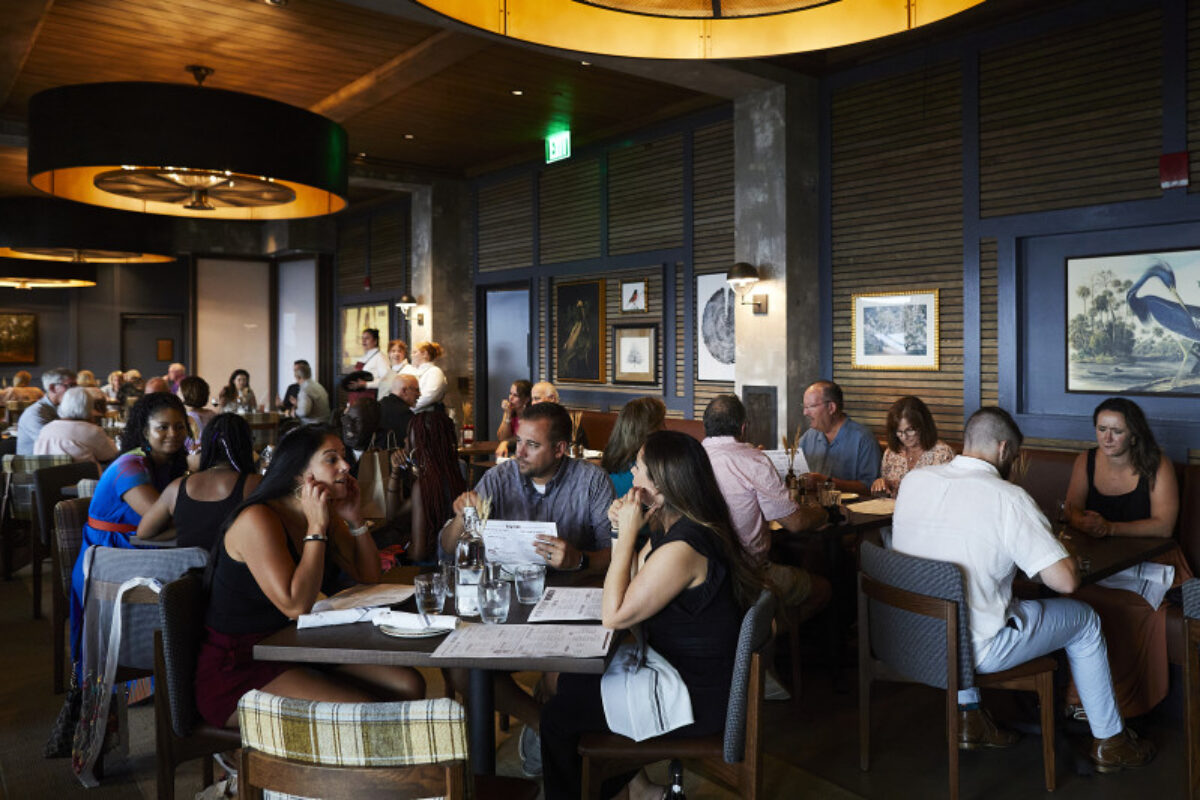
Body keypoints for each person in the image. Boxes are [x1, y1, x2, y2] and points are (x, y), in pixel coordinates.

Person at [892, 407, 1155, 771]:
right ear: (1003, 450)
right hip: (973, 651)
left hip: (909, 637)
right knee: (1085, 619)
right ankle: (1111, 741)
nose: (1013, 464)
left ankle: (970, 716)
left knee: (967, 602)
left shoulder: (915, 481)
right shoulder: (1008, 498)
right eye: (1013, 456)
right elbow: (1065, 582)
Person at [540, 430, 764, 799]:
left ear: (662, 483)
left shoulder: (684, 548)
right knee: (564, 684)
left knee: (557, 717)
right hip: (673, 670)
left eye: (639, 467)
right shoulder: (673, 527)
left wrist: (628, 536)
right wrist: (619, 532)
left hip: (693, 695)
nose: (632, 473)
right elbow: (629, 586)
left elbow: (614, 616)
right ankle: (622, 787)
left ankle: (610, 786)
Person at [194, 424, 425, 728]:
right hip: (239, 667)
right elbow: (295, 605)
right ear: (299, 475)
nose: (346, 466)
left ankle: (374, 770)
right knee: (367, 714)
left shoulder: (323, 513)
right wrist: (316, 529)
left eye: (343, 457)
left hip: (292, 648)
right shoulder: (258, 519)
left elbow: (370, 577)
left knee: (409, 684)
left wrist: (355, 519)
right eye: (331, 459)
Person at [439, 402, 615, 751]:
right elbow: (446, 548)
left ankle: (553, 729)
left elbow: (617, 552)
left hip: (569, 605)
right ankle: (541, 724)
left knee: (558, 678)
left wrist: (578, 560)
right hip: (505, 605)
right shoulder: (498, 479)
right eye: (519, 441)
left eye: (531, 445)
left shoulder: (592, 481)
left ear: (560, 449)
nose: (518, 451)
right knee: (460, 670)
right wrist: (462, 518)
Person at [1063, 397, 1190, 719]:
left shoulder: (1156, 464)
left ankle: (1117, 705)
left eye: (1116, 431)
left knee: (1116, 605)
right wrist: (1081, 522)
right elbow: (1071, 509)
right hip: (1102, 561)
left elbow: (1164, 527)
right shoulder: (1086, 461)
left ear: (1134, 434)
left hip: (1155, 561)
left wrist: (1109, 528)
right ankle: (1085, 700)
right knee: (1077, 595)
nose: (1106, 438)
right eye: (1101, 429)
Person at [69, 392, 190, 663]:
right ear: (145, 431)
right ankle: (165, 667)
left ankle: (174, 667)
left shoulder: (166, 463)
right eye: (162, 427)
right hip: (108, 558)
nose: (173, 433)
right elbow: (159, 522)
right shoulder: (130, 467)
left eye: (179, 426)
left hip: (134, 548)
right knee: (199, 575)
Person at [701, 394, 828, 614]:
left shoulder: (692, 457)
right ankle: (763, 634)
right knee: (823, 589)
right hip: (747, 574)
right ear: (743, 427)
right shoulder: (753, 460)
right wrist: (822, 513)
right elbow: (795, 523)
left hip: (702, 575)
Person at [136, 413, 261, 549]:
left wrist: (185, 530)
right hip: (233, 568)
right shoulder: (254, 484)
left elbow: (144, 533)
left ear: (205, 445)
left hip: (188, 567)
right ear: (247, 446)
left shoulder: (177, 487)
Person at [404, 411, 465, 564]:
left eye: (410, 435)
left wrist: (401, 551)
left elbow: (418, 552)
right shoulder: (457, 473)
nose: (405, 441)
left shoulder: (423, 485)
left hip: (428, 569)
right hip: (452, 563)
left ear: (419, 442)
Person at [799, 379, 881, 494]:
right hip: (813, 508)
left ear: (831, 407)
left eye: (810, 407)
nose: (805, 413)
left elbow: (870, 487)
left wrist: (827, 482)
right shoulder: (808, 438)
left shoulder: (863, 439)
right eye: (804, 407)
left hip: (848, 509)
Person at [870, 395, 955, 496]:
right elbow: (886, 494)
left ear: (923, 426)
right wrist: (882, 484)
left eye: (909, 430)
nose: (904, 437)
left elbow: (947, 494)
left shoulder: (942, 454)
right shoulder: (891, 453)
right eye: (899, 432)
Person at [34, 386, 118, 466]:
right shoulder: (91, 430)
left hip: (46, 479)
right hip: (83, 479)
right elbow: (112, 455)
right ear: (89, 407)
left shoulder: (46, 429)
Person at [601, 395, 666, 496]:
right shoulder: (650, 473)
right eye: (662, 424)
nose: (666, 429)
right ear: (649, 430)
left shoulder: (607, 470)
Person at [16, 367, 75, 455]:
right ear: (52, 388)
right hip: (37, 466)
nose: (75, 391)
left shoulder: (63, 409)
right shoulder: (35, 413)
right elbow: (53, 445)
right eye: (70, 386)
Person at [345, 328, 389, 406]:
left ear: (375, 341)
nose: (363, 341)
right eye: (362, 338)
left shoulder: (380, 357)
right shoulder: (363, 357)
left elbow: (387, 381)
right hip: (355, 398)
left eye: (367, 338)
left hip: (368, 400)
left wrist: (366, 384)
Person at [405, 340, 448, 413]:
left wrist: (409, 409)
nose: (411, 355)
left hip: (428, 417)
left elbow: (429, 396)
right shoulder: (413, 371)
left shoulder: (435, 372)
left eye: (415, 352)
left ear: (425, 354)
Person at [495, 380, 532, 458]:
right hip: (512, 454)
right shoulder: (510, 411)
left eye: (515, 395)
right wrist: (507, 414)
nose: (510, 398)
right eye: (510, 394)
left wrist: (505, 442)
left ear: (526, 399)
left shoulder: (531, 415)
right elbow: (502, 437)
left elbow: (524, 437)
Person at [379, 373, 419, 445]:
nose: (419, 394)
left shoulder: (379, 405)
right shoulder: (405, 414)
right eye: (416, 390)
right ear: (404, 391)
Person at [179, 375, 215, 444]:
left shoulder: (188, 418)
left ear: (186, 394)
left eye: (179, 390)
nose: (176, 393)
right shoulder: (212, 414)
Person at [293, 361, 330, 425]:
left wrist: (294, 413)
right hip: (325, 424)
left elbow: (304, 412)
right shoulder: (318, 386)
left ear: (298, 377)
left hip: (312, 426)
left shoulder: (305, 389)